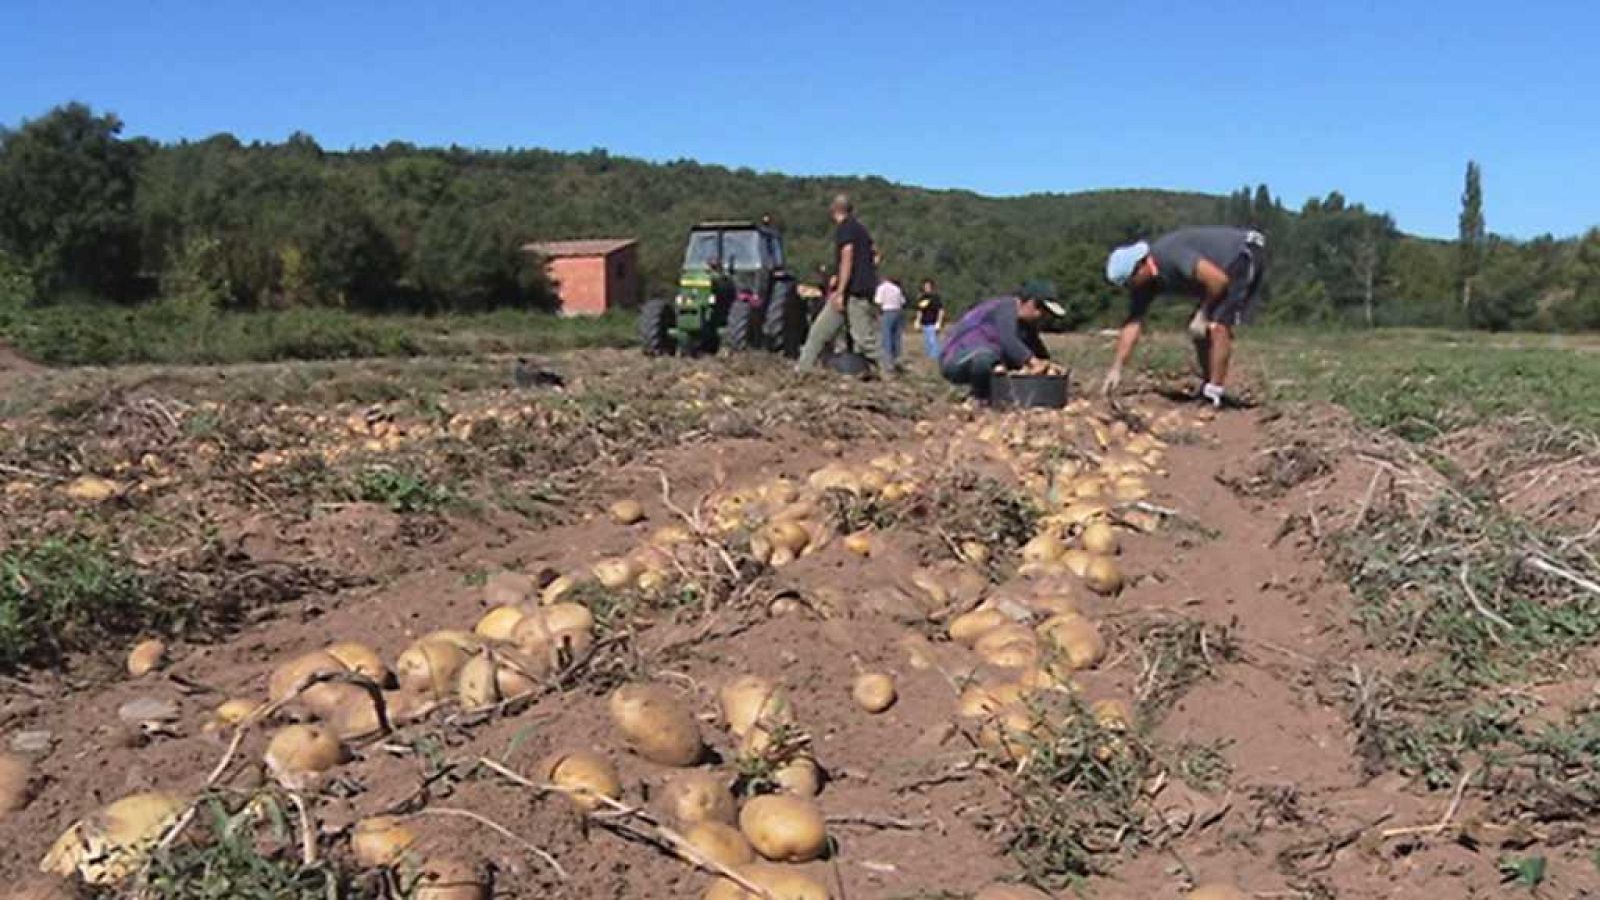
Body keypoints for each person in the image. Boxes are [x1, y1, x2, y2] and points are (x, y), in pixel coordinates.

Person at [1102, 227, 1268, 407]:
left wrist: (1204, 311)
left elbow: (1218, 281)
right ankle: (1208, 384)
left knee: (1217, 325)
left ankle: (1214, 394)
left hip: (1240, 253)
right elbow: (1133, 324)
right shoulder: (1145, 283)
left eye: (1129, 282)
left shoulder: (1170, 255)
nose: (1130, 288)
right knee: (1199, 331)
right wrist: (1116, 368)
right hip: (1215, 275)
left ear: (1140, 267)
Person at [797, 194, 884, 373]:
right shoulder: (861, 229)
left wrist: (841, 291)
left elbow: (847, 257)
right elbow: (875, 254)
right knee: (819, 332)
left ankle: (890, 372)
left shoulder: (846, 228)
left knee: (864, 340)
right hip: (851, 291)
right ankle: (802, 370)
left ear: (833, 210)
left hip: (852, 293)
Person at [938, 280, 1065, 401]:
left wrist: (1049, 365)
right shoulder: (1006, 308)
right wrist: (1033, 362)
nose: (1043, 317)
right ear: (1030, 303)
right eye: (1042, 310)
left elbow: (1036, 348)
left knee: (997, 360)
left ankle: (993, 394)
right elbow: (1009, 341)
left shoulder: (1025, 326)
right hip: (956, 357)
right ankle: (979, 397)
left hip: (988, 356)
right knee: (987, 357)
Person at [875, 269, 907, 370]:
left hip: (887, 311)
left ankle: (887, 361)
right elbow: (903, 301)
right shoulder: (896, 288)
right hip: (897, 311)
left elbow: (878, 301)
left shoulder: (881, 288)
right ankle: (897, 357)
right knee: (896, 336)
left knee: (886, 336)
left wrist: (877, 313)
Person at [914, 278, 944, 360]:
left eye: (928, 286)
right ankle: (928, 359)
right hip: (924, 323)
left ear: (932, 287)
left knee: (933, 342)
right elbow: (920, 310)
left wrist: (939, 322)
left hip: (933, 323)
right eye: (925, 286)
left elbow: (940, 310)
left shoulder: (935, 297)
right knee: (927, 342)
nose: (927, 288)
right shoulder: (922, 297)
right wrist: (917, 321)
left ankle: (935, 358)